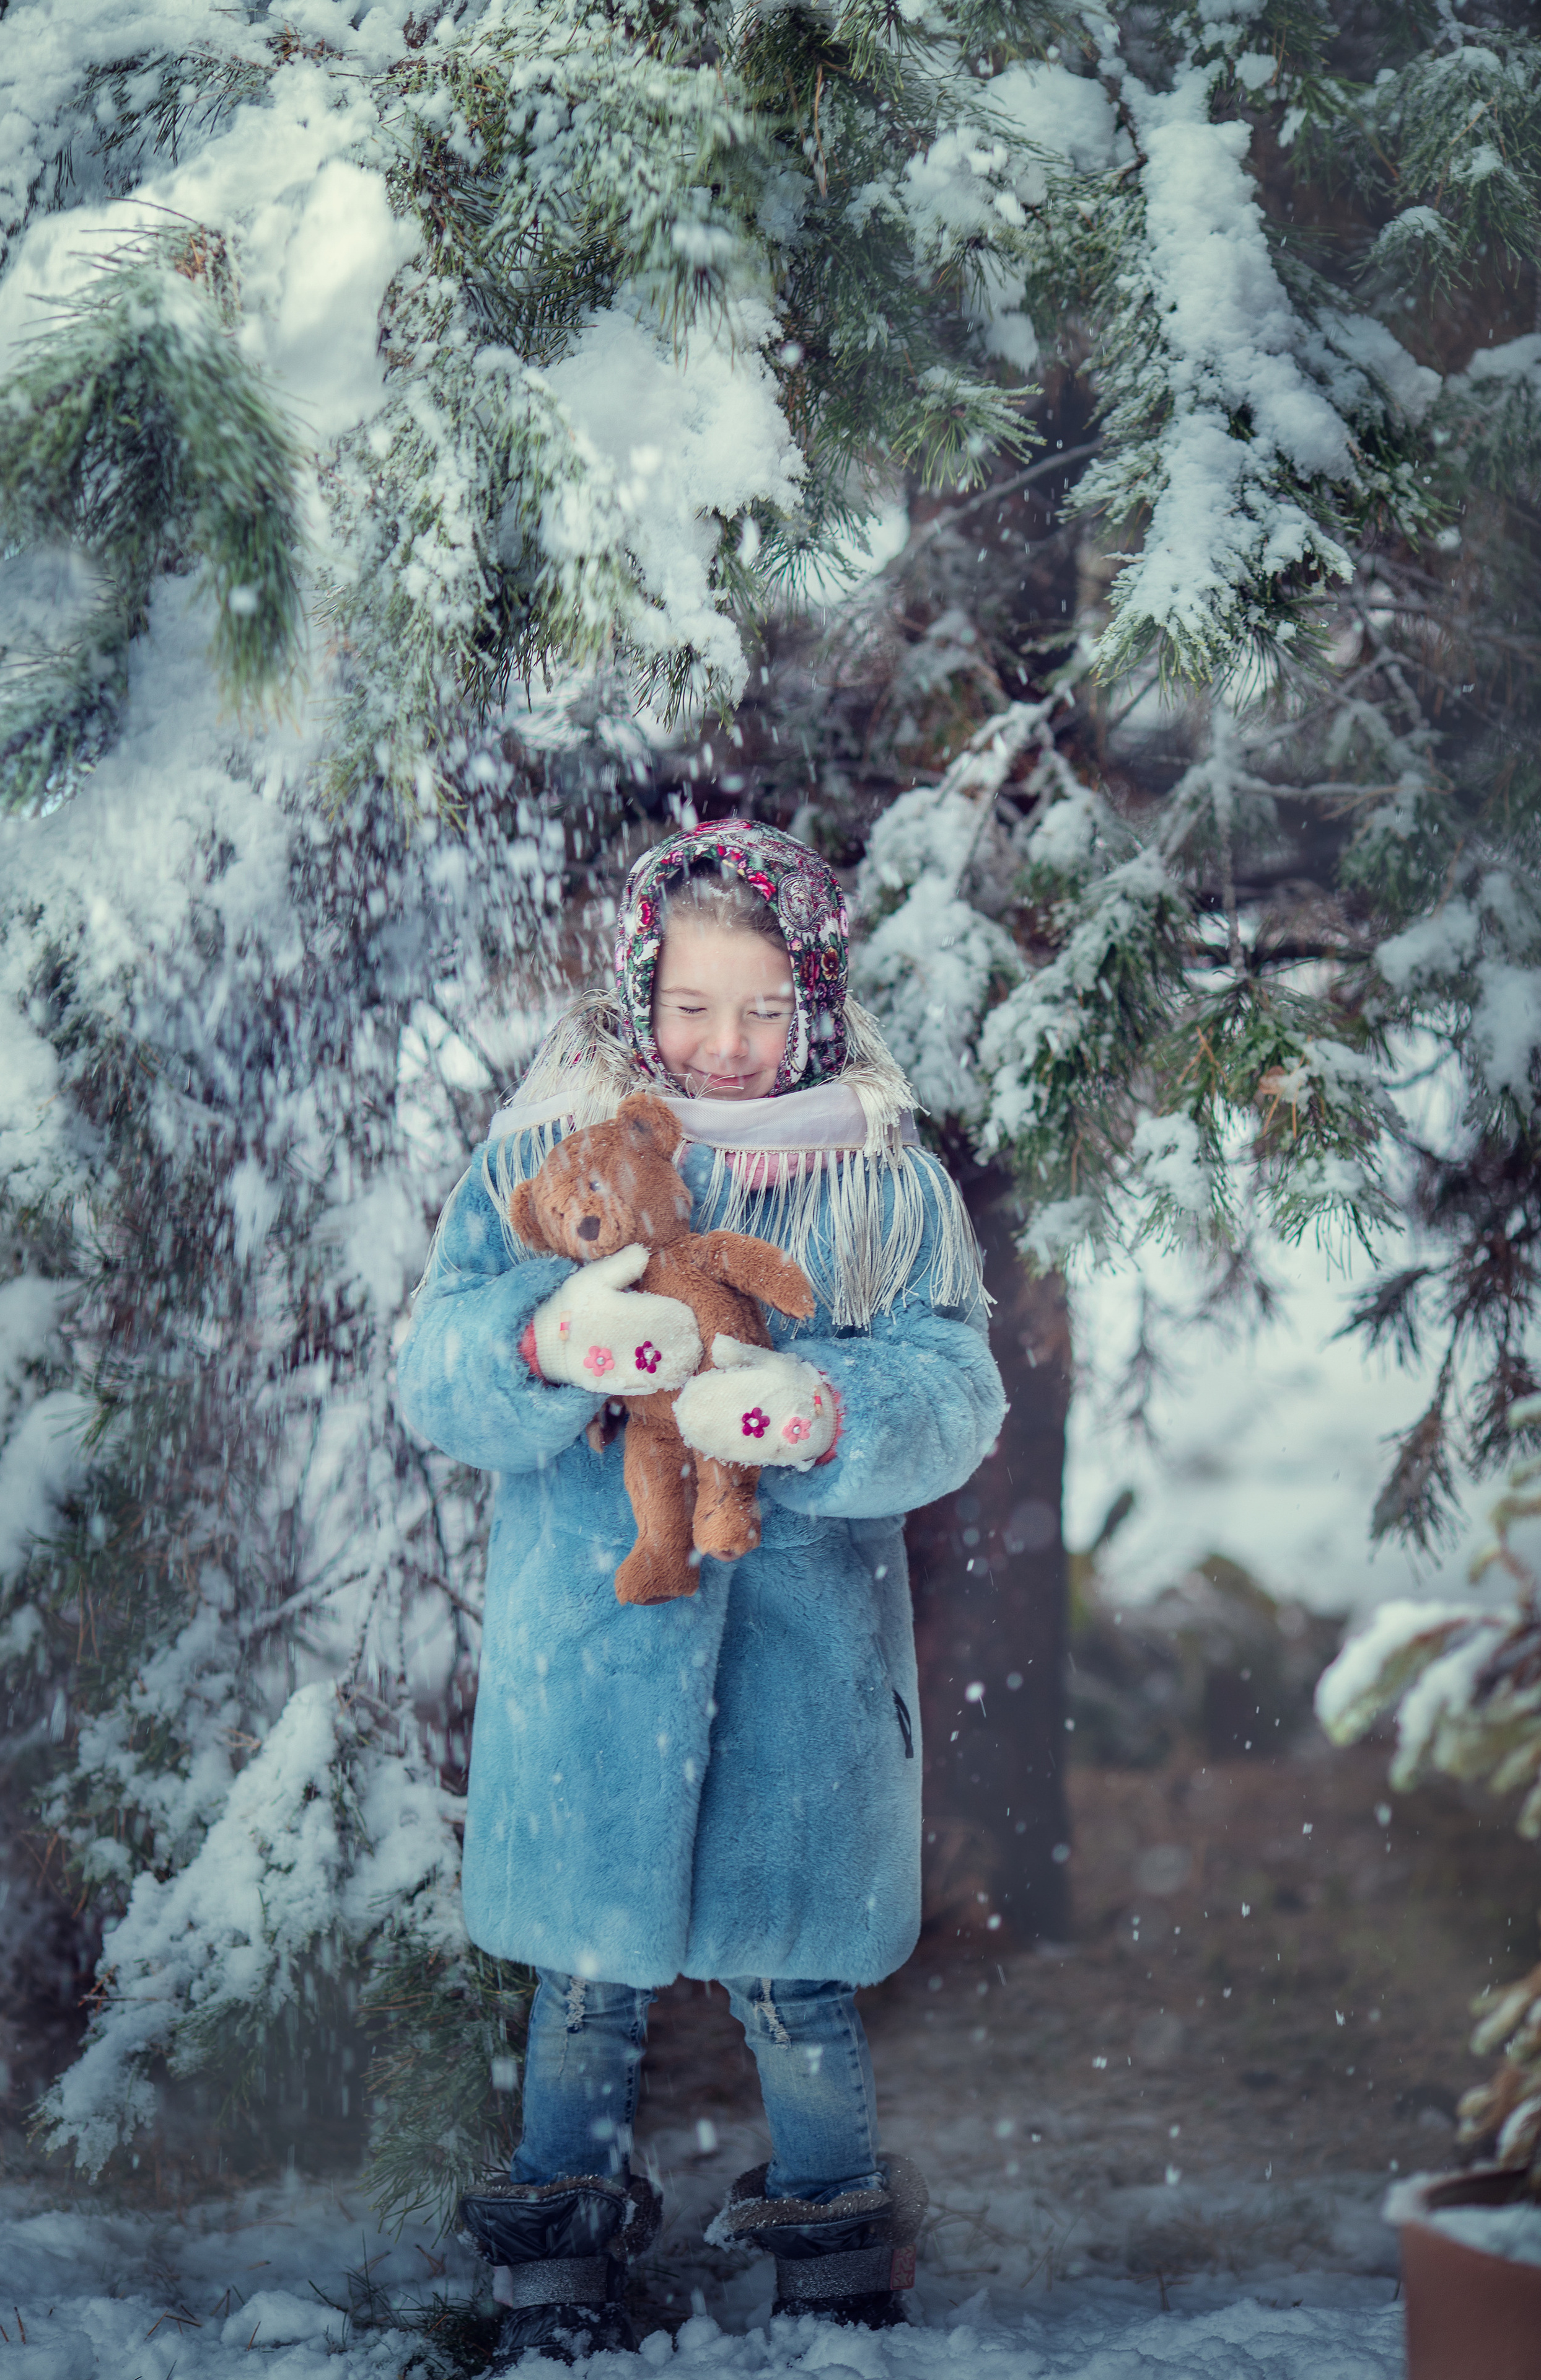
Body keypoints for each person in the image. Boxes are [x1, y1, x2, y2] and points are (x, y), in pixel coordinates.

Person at [396, 821, 1007, 2363]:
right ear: (636, 995)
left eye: (756, 1010)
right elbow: (438, 1369)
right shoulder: (545, 1154)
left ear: (810, 1001)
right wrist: (543, 1344)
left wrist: (824, 1411)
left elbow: (952, 1380)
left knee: (793, 1984)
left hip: (800, 1663)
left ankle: (833, 2251)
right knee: (583, 1984)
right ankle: (556, 2256)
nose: (722, 1047)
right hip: (595, 1652)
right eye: (689, 1007)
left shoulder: (881, 1179)